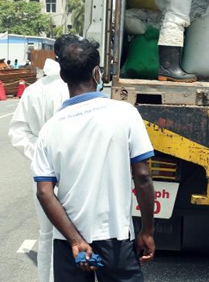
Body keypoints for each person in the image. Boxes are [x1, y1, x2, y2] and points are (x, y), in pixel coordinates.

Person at [31, 37, 156, 281]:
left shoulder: (50, 129)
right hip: (116, 237)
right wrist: (148, 231)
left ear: (63, 77)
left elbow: (44, 192)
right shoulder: (125, 113)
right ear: (96, 72)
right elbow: (142, 176)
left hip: (69, 241)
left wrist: (75, 240)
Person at [8, 35, 76, 282]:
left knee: (47, 234)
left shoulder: (34, 90)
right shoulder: (77, 87)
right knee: (75, 234)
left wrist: (39, 154)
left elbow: (17, 131)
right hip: (74, 171)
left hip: (42, 174)